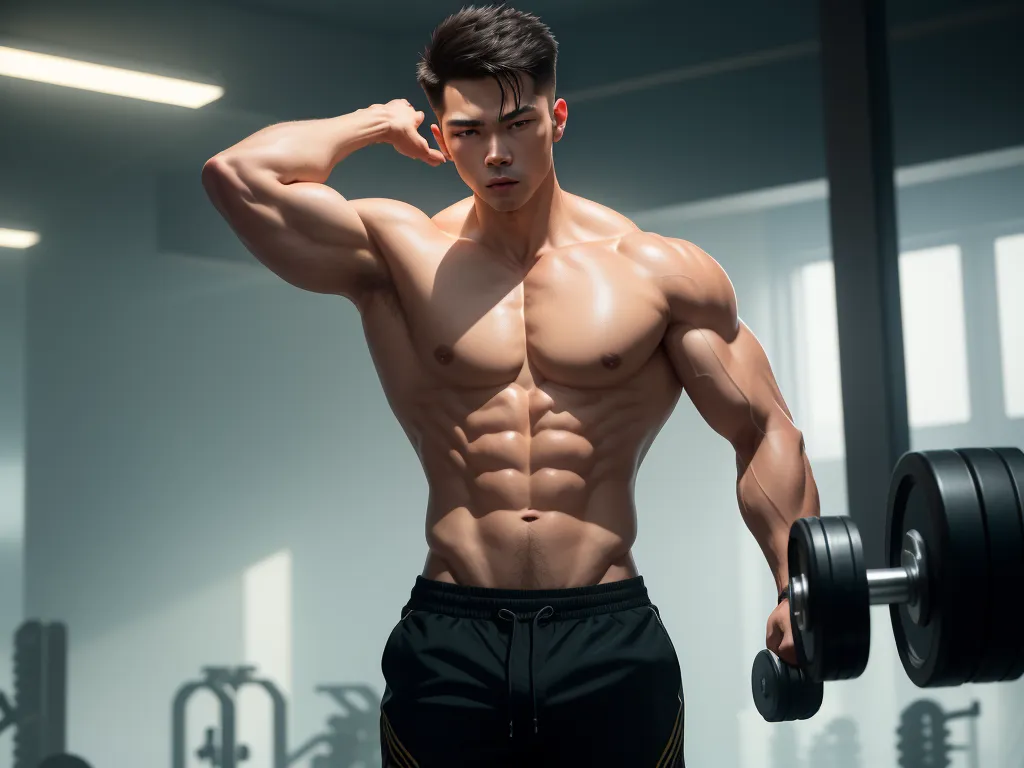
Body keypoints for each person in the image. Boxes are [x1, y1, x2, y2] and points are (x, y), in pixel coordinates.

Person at [202, 5, 820, 766]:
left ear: (557, 119)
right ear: (438, 131)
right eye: (467, 131)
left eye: (518, 123)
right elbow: (237, 176)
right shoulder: (401, 254)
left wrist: (798, 586)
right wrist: (372, 121)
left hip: (608, 632)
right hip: (451, 634)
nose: (496, 153)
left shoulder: (653, 271)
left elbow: (763, 428)